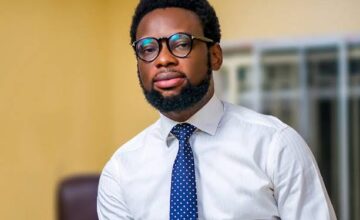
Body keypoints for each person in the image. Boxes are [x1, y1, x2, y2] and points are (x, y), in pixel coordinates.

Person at [97, 0, 337, 219]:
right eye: (148, 49)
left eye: (181, 44)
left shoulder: (275, 146)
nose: (163, 59)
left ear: (215, 56)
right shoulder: (120, 172)